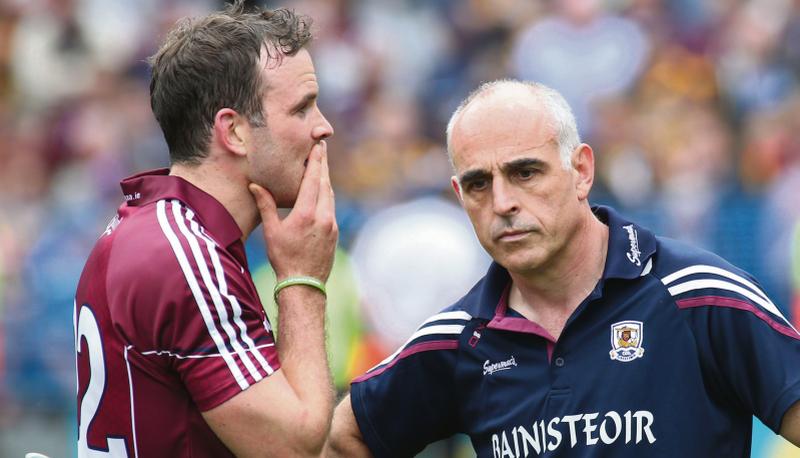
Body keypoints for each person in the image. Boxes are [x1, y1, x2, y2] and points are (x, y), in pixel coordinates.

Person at [325, 80, 800, 457]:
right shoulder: (458, 339)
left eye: (525, 172)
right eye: (477, 184)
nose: (503, 202)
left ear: (582, 171)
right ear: (458, 195)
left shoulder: (697, 295)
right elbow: (345, 440)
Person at [73, 2, 337, 457]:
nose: (324, 128)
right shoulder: (186, 257)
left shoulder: (146, 229)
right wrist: (301, 279)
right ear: (233, 131)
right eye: (302, 109)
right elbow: (296, 447)